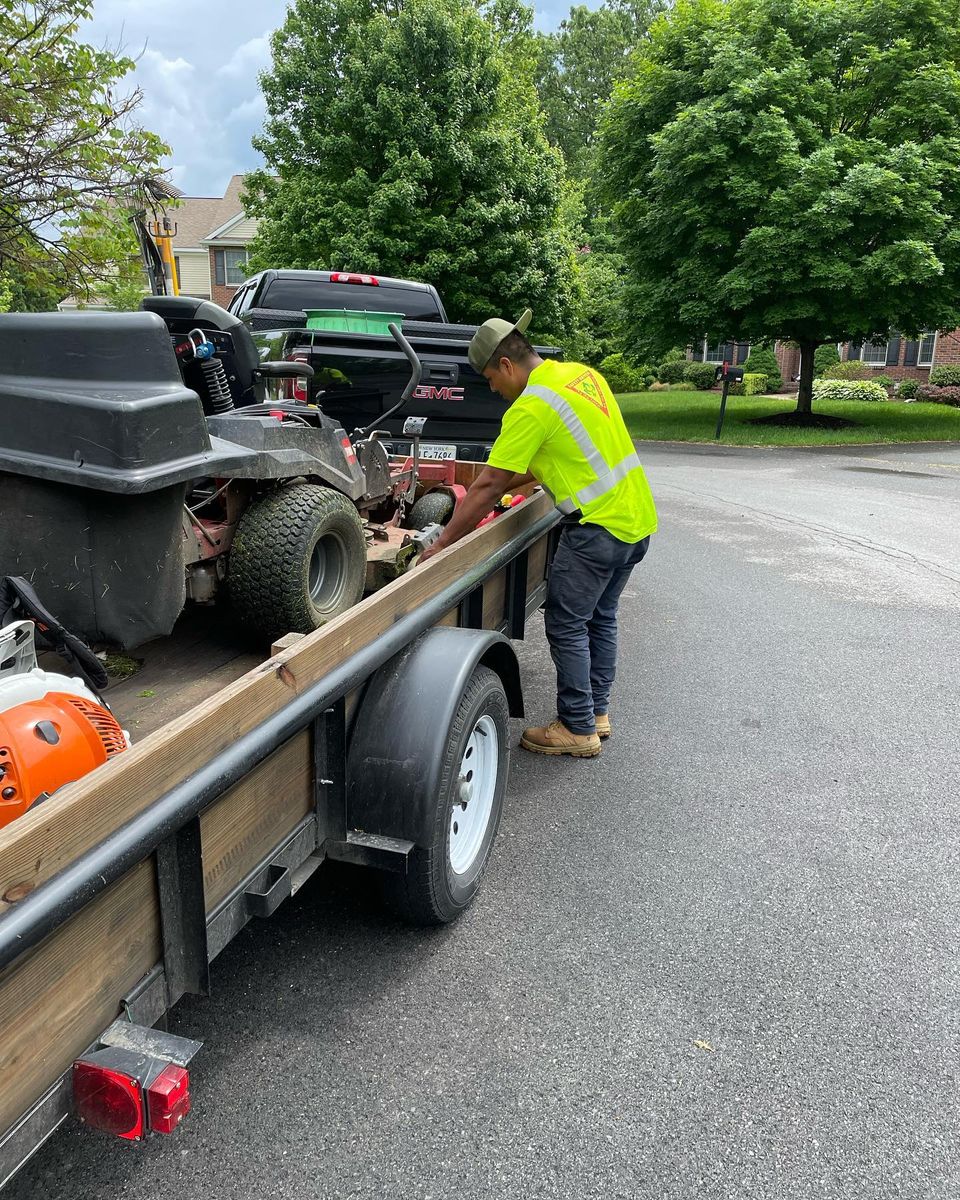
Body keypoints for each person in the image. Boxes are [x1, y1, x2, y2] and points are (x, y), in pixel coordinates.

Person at [419, 309, 657, 758]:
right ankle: (597, 714)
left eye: (491, 379)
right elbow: (529, 467)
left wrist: (445, 542)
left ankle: (576, 727)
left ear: (506, 366)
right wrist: (476, 495)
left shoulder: (530, 406)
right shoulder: (581, 376)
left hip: (596, 531)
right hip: (635, 522)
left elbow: (491, 482)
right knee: (599, 617)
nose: (494, 390)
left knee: (566, 622)